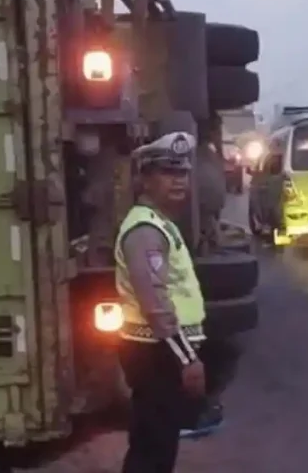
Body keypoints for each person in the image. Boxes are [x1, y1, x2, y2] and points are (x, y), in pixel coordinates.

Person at [115, 131, 217, 473]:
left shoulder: (159, 223)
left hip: (160, 351)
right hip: (156, 353)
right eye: (168, 172)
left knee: (156, 444)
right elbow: (154, 303)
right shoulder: (145, 229)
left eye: (183, 172)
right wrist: (188, 359)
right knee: (153, 450)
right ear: (145, 179)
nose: (179, 180)